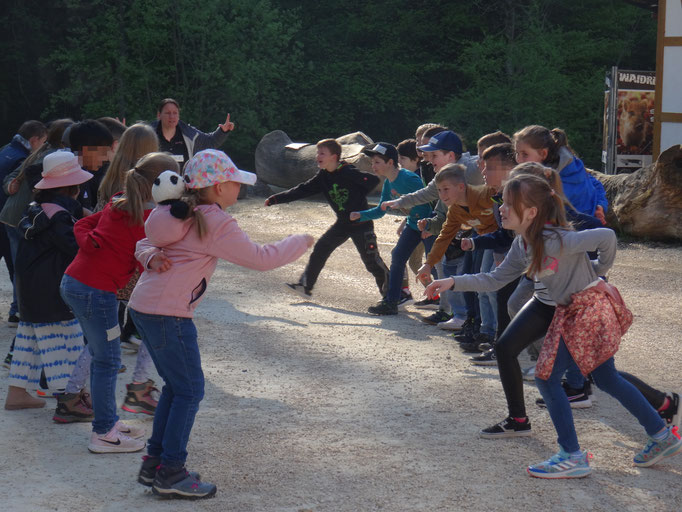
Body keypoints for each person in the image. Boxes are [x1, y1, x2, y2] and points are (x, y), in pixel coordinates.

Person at [425, 173, 682, 478]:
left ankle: (573, 456)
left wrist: (599, 269)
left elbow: (607, 237)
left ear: (531, 212)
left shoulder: (555, 239)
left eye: (508, 204)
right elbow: (494, 279)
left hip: (587, 312)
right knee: (606, 378)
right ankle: (662, 436)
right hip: (573, 312)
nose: (501, 209)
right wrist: (452, 281)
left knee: (548, 377)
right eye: (501, 203)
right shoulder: (523, 243)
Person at [127, 149, 313, 499]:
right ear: (216, 187)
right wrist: (299, 241)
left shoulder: (177, 211)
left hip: (145, 307)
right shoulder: (214, 220)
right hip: (169, 313)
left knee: (176, 387)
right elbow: (260, 259)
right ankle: (170, 472)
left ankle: (155, 463)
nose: (238, 189)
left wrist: (150, 256)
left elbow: (144, 242)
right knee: (190, 390)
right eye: (234, 183)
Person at [60, 152, 179, 454]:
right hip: (94, 292)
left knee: (105, 355)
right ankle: (103, 433)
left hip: (77, 283)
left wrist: (93, 244)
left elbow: (84, 225)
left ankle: (108, 421)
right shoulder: (147, 219)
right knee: (108, 360)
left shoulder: (118, 202)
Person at [4, 151, 91, 411]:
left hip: (31, 290)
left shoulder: (37, 209)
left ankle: (17, 393)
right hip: (51, 291)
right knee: (66, 340)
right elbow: (77, 248)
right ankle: (69, 398)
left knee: (28, 342)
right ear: (72, 188)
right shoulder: (60, 217)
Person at [265, 138, 389, 298]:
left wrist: (357, 198)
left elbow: (372, 180)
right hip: (343, 224)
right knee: (320, 249)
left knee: (372, 262)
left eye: (322, 153)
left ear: (334, 156)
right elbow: (303, 190)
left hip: (361, 223)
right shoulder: (323, 176)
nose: (318, 156)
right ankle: (305, 287)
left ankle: (393, 295)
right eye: (317, 152)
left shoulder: (347, 171)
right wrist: (276, 199)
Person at [348, 142, 433, 315]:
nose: (373, 166)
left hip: (429, 226)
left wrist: (428, 226)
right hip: (413, 226)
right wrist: (361, 215)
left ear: (390, 163)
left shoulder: (409, 178)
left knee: (436, 264)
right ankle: (391, 301)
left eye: (377, 162)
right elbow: (381, 210)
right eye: (372, 162)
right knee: (398, 256)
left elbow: (428, 201)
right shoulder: (388, 183)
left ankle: (452, 305)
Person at [0, 120, 47, 326]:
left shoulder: (6, 151)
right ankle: (18, 309)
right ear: (34, 140)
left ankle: (17, 308)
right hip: (12, 217)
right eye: (42, 141)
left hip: (6, 216)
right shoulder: (23, 157)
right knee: (18, 265)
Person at [513, 125, 608, 224]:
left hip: (573, 231)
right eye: (516, 153)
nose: (518, 160)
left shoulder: (552, 182)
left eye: (525, 154)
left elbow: (594, 184)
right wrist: (600, 205)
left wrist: (600, 206)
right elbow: (595, 184)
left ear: (543, 154)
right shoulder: (574, 165)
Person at [152, 98, 235, 166]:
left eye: (175, 113)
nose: (172, 116)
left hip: (183, 185)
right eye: (168, 113)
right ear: (159, 115)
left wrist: (223, 131)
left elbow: (210, 142)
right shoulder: (147, 135)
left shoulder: (190, 134)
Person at [69, 119, 115, 210]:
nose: (105, 158)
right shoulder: (68, 180)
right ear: (85, 149)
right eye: (102, 151)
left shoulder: (87, 174)